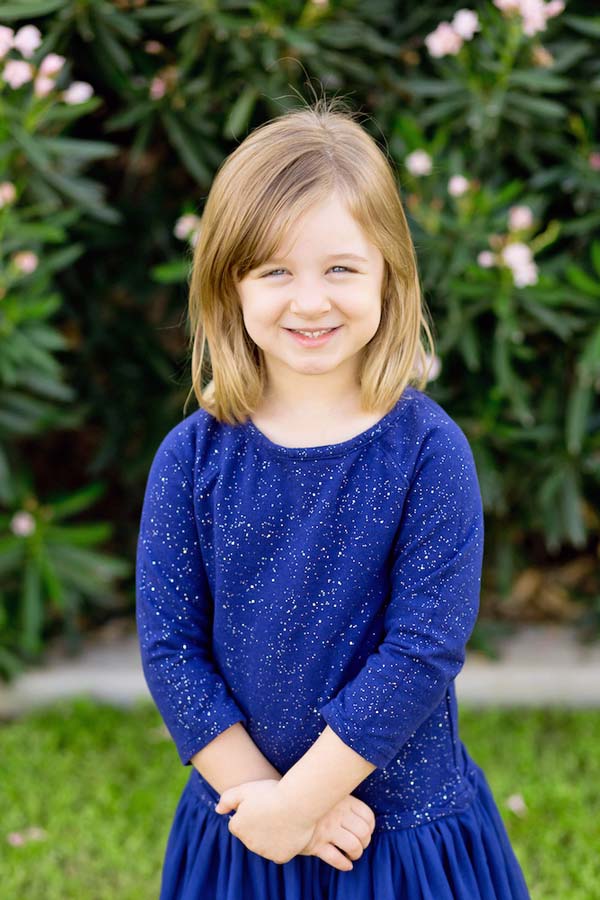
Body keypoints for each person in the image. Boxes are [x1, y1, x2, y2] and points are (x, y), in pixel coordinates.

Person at [135, 97, 531, 899]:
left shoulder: (428, 453)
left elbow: (421, 651)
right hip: (242, 825)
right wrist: (274, 809)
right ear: (229, 286)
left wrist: (304, 800)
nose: (309, 301)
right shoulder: (192, 457)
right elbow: (172, 647)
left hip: (398, 838)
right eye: (275, 270)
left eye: (340, 268)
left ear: (389, 272)